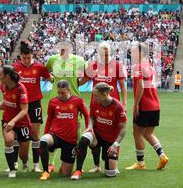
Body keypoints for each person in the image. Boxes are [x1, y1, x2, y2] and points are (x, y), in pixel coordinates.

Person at [79, 42, 127, 173]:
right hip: (96, 104)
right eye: (101, 55)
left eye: (106, 55)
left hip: (113, 106)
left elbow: (122, 85)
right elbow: (84, 80)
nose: (104, 57)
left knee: (114, 132)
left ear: (109, 53)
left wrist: (125, 103)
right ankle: (96, 165)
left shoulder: (117, 65)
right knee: (95, 131)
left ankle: (112, 157)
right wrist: (73, 83)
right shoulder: (93, 65)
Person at [71, 83, 127, 180]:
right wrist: (89, 127)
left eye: (96, 96)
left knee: (110, 173)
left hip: (110, 141)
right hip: (97, 136)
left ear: (105, 95)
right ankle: (78, 171)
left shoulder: (118, 107)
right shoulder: (95, 102)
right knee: (84, 139)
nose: (94, 98)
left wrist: (115, 144)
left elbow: (123, 128)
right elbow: (92, 117)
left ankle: (110, 162)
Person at [126, 42, 169, 170]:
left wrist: (136, 104)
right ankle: (162, 156)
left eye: (134, 51)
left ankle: (140, 162)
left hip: (144, 105)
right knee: (148, 133)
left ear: (141, 53)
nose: (131, 54)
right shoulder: (150, 67)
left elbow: (141, 86)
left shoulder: (138, 67)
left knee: (137, 133)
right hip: (155, 105)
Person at [45, 41, 86, 172]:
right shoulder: (52, 59)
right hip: (55, 99)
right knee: (54, 129)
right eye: (61, 49)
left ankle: (76, 163)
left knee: (76, 131)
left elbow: (90, 74)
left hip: (74, 100)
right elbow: (45, 71)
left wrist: (78, 84)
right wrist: (52, 80)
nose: (64, 51)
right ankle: (51, 163)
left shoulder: (78, 60)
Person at [12, 41, 53, 173]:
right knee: (16, 135)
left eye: (29, 58)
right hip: (19, 105)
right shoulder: (14, 67)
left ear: (32, 56)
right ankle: (14, 163)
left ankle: (36, 164)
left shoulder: (39, 67)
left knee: (35, 134)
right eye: (24, 58)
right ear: (20, 56)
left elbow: (50, 78)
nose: (27, 60)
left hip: (34, 103)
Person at [38, 80, 89, 181]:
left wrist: (88, 129)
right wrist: (46, 133)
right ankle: (45, 172)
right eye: (59, 92)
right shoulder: (53, 102)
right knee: (43, 140)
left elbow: (87, 115)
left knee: (65, 174)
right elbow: (49, 119)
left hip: (70, 139)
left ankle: (63, 167)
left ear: (69, 90)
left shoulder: (78, 101)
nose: (60, 95)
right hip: (55, 135)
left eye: (63, 92)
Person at [0, 66, 31, 178]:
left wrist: (13, 121)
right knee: (9, 140)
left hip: (22, 123)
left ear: (8, 76)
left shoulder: (21, 89)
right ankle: (12, 169)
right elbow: (6, 100)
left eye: (1, 75)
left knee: (23, 154)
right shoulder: (3, 86)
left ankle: (24, 162)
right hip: (7, 120)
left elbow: (24, 110)